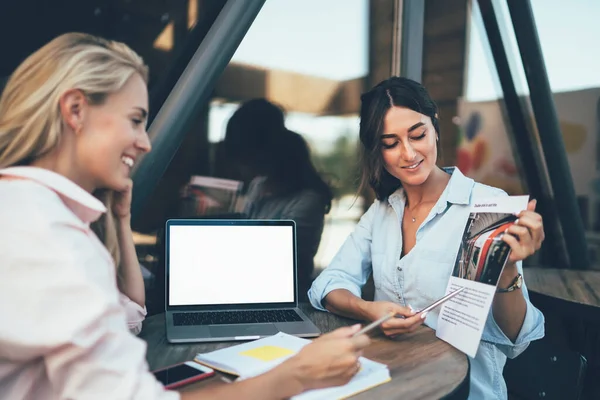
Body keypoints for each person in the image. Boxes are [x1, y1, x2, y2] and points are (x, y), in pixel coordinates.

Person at [0, 32, 370, 399]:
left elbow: (130, 315)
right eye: (135, 120)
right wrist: (297, 374)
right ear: (75, 110)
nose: (145, 142)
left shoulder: (32, 216)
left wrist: (121, 219)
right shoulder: (50, 239)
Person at [308, 76, 545, 399]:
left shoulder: (486, 206)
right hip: (393, 384)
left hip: (464, 391)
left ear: (435, 127)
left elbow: (516, 340)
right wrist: (368, 310)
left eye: (417, 135)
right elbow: (331, 282)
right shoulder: (382, 212)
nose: (408, 153)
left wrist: (505, 271)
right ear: (377, 150)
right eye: (390, 143)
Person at [219, 99, 333, 298]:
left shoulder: (307, 201)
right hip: (246, 289)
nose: (240, 166)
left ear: (262, 153)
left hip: (284, 296)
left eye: (243, 157)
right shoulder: (259, 185)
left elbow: (273, 260)